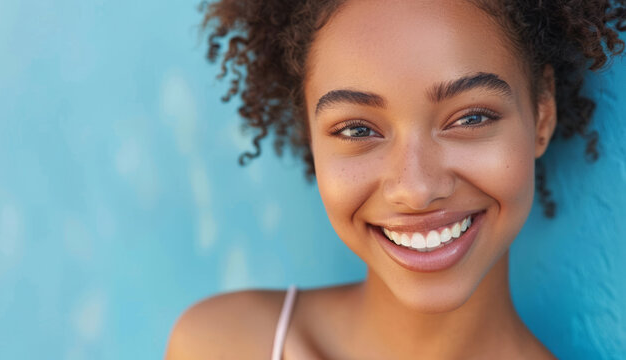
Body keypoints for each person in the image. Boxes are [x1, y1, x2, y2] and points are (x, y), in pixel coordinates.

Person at [165, 0, 626, 359]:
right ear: (308, 132)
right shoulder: (218, 346)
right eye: (357, 130)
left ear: (541, 113)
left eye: (470, 118)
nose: (416, 188)